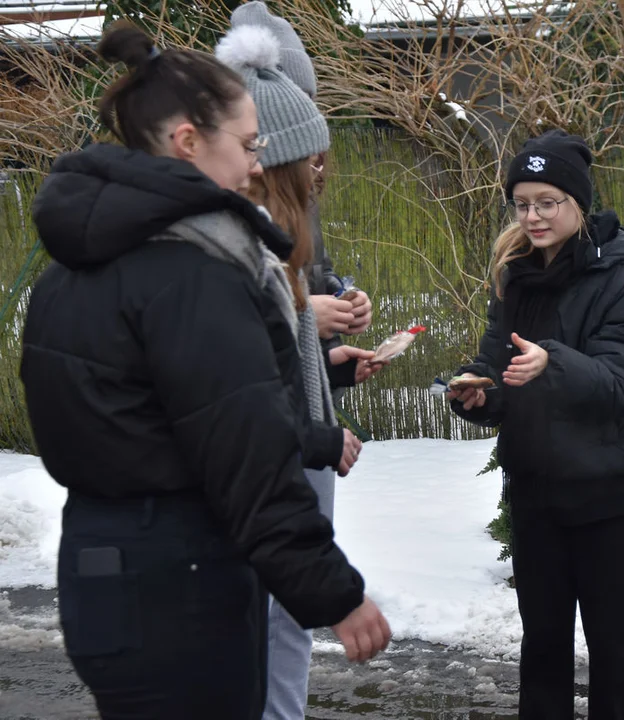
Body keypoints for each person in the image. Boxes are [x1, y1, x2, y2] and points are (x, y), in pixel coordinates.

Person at [19, 21, 389, 720]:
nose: (256, 167)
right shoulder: (192, 275)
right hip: (182, 595)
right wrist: (334, 592)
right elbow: (248, 461)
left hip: (103, 578)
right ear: (189, 142)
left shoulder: (73, 266)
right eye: (248, 147)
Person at [448, 130, 624, 719]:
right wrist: (478, 392)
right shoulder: (516, 273)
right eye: (523, 204)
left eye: (548, 202)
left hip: (612, 495)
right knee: (542, 649)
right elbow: (499, 363)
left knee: (615, 654)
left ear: (579, 201)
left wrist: (553, 363)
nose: (534, 216)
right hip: (538, 492)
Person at [214, 23, 380, 720]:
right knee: (264, 621)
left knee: (284, 624)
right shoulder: (229, 248)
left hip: (299, 449)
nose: (321, 173)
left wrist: (329, 360)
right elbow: (234, 390)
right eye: (309, 160)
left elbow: (275, 366)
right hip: (276, 465)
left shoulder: (289, 228)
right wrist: (298, 309)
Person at [231, 0, 374, 396]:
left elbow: (315, 271)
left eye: (311, 101)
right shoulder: (228, 221)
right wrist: (306, 316)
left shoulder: (302, 193)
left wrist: (343, 298)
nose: (308, 113)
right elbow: (227, 340)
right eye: (297, 101)